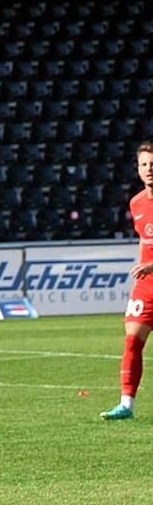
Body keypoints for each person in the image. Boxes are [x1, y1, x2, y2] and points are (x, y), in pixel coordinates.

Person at [100, 141, 153, 421]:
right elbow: (144, 242)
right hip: (146, 287)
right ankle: (126, 405)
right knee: (132, 341)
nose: (149, 169)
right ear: (138, 169)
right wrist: (143, 268)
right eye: (144, 164)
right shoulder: (136, 203)